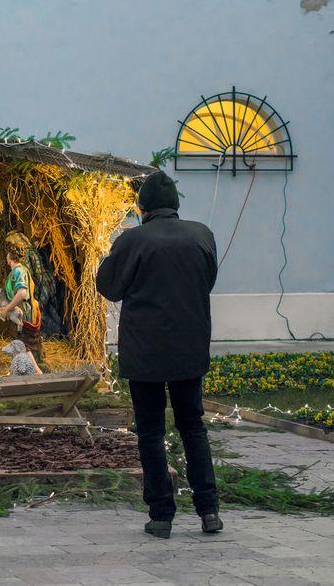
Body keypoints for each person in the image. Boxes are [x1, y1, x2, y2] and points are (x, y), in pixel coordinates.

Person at [95, 170, 221, 539]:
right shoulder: (202, 235)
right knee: (193, 425)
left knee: (150, 432)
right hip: (189, 347)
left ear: (142, 206)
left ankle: (161, 515)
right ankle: (209, 510)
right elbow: (207, 280)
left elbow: (110, 287)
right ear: (176, 205)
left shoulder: (133, 239)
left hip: (145, 351)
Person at [0, 243, 44, 362]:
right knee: (22, 343)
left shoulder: (19, 272)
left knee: (24, 344)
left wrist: (8, 308)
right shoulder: (21, 270)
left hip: (23, 311)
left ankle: (35, 371)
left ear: (10, 256)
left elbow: (22, 293)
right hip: (20, 310)